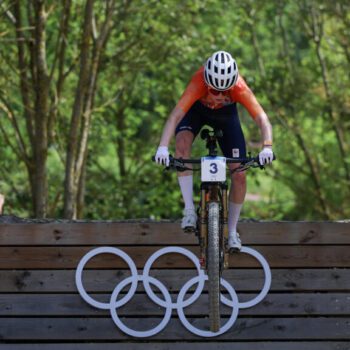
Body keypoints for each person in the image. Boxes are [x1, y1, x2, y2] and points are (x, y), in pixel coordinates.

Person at [155, 50, 273, 251]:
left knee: (240, 173)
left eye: (223, 92)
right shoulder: (198, 81)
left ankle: (233, 231)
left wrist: (267, 147)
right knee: (182, 146)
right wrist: (163, 147)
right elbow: (175, 116)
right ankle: (190, 211)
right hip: (196, 112)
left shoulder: (239, 86)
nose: (218, 96)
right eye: (214, 90)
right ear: (207, 81)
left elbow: (262, 118)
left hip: (227, 117)